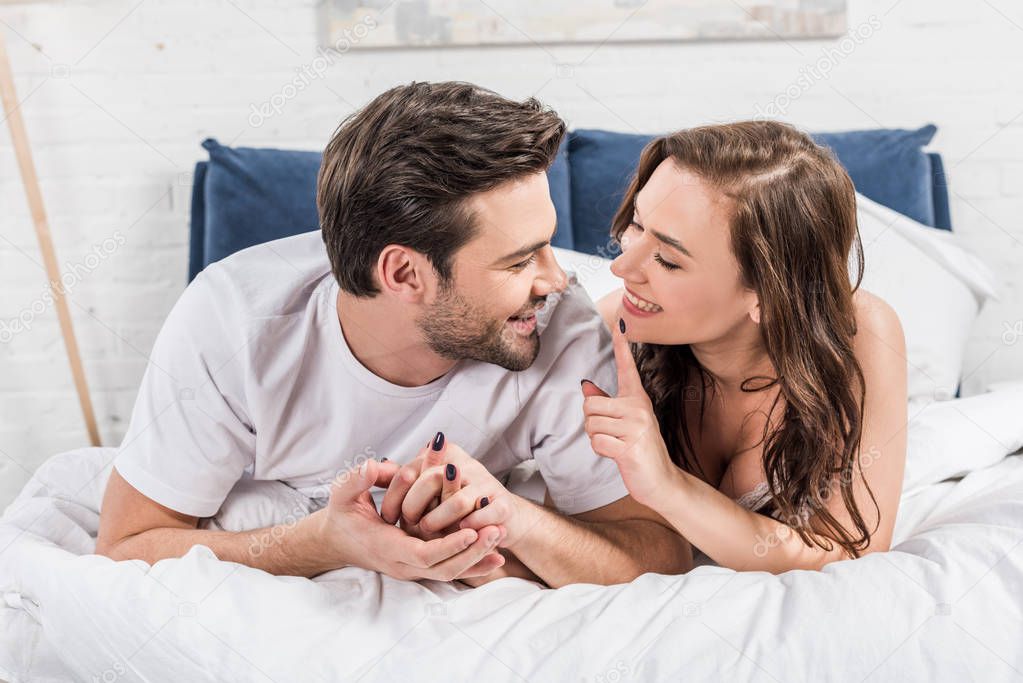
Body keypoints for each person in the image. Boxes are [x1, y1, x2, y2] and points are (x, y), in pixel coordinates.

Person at [95, 81, 691, 588]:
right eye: (518, 261)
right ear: (404, 273)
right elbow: (126, 547)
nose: (555, 278)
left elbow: (657, 554)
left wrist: (510, 520)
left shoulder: (561, 325)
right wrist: (327, 544)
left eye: (548, 245)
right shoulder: (231, 321)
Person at [582, 121, 908, 573]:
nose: (621, 266)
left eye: (669, 260)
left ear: (768, 292)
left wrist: (668, 486)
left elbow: (852, 552)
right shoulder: (605, 334)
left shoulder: (861, 334)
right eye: (637, 225)